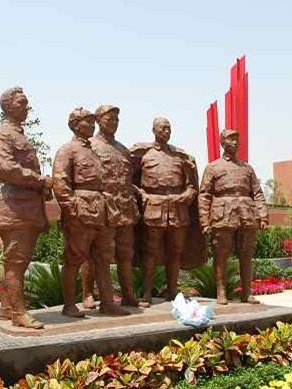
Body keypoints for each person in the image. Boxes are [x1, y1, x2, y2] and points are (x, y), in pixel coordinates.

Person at [53, 107, 130, 318]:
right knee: (74, 258)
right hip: (81, 212)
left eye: (92, 121)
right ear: (75, 125)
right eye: (87, 121)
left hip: (103, 212)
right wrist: (73, 210)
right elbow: (61, 183)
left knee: (104, 258)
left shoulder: (94, 151)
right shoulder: (67, 150)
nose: (92, 125)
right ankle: (69, 305)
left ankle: (107, 303)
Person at [0, 86, 53, 329]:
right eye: (21, 103)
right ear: (7, 106)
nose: (27, 108)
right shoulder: (2, 134)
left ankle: (6, 308)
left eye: (26, 103)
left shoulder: (18, 134)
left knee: (17, 261)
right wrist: (40, 180)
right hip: (15, 207)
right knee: (16, 261)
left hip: (26, 206)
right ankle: (18, 313)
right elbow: (6, 169)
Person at [131, 117, 197, 307]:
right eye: (162, 128)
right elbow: (128, 180)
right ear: (154, 130)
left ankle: (172, 291)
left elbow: (192, 186)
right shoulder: (143, 154)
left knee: (176, 251)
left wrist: (187, 195)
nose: (166, 131)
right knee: (150, 252)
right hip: (154, 207)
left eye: (169, 128)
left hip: (177, 208)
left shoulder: (180, 156)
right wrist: (142, 194)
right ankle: (146, 293)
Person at [198, 129, 269, 305]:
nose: (235, 142)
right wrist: (204, 221)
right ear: (222, 143)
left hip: (246, 214)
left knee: (246, 254)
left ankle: (247, 292)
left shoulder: (247, 168)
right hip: (222, 214)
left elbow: (257, 193)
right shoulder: (213, 167)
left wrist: (263, 216)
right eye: (231, 139)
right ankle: (221, 292)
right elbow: (204, 195)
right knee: (221, 255)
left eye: (237, 139)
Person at [88, 104, 141, 307]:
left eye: (117, 119)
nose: (114, 123)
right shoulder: (90, 146)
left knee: (126, 252)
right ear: (98, 120)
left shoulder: (123, 150)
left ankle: (128, 294)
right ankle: (88, 293)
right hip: (101, 206)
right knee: (97, 252)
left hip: (124, 207)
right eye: (110, 119)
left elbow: (129, 178)